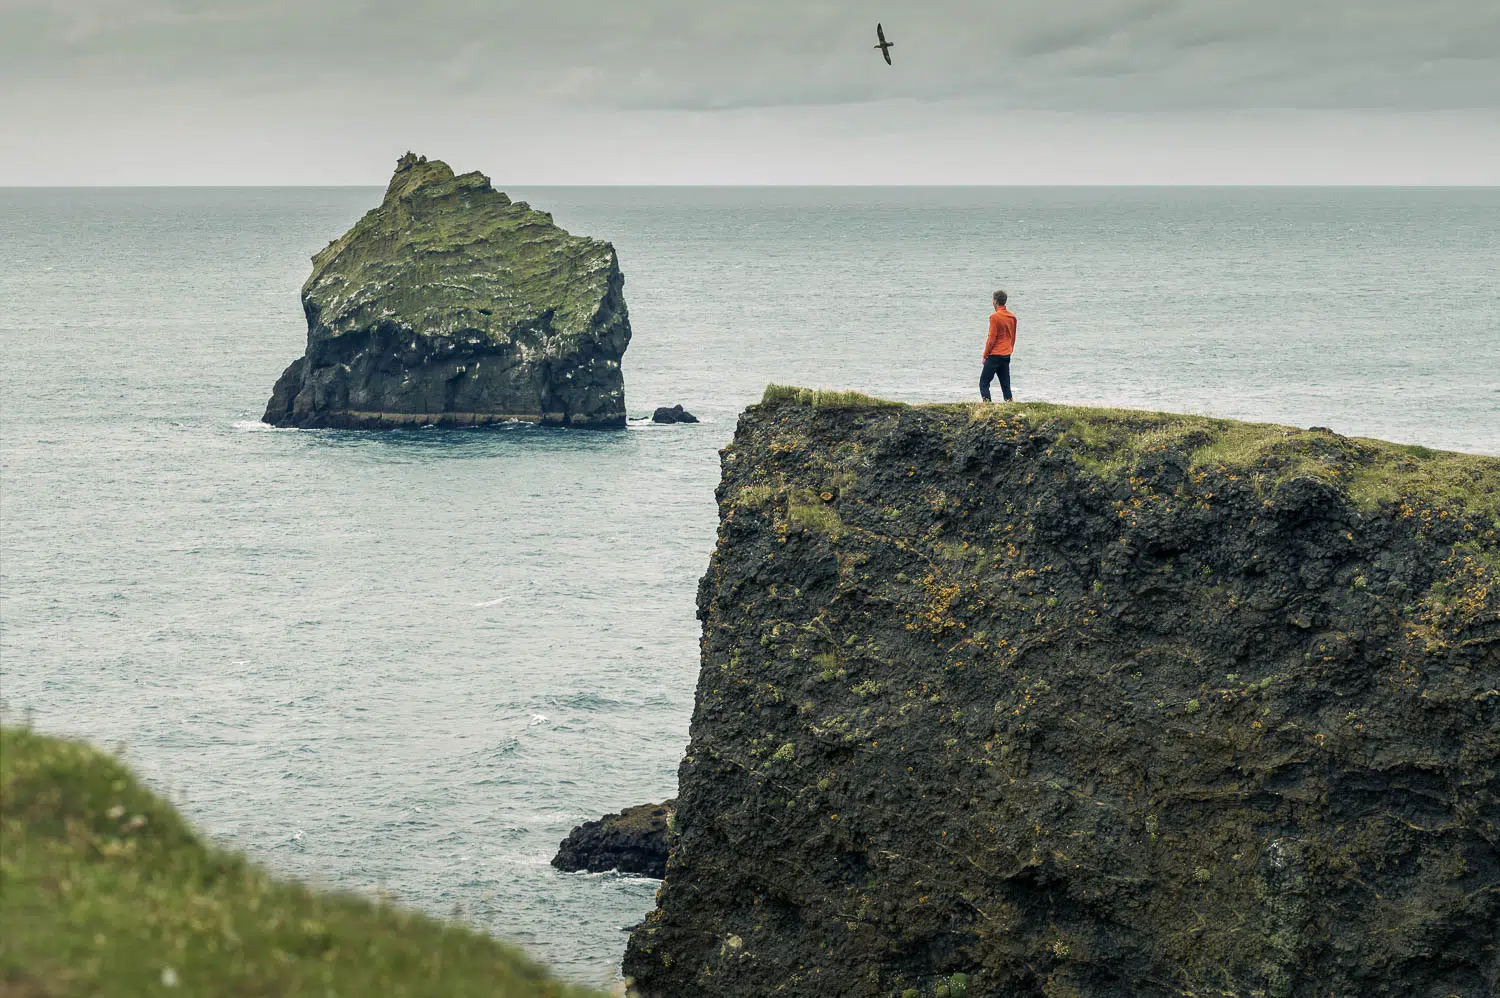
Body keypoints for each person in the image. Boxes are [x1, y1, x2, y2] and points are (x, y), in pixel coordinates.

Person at [980, 290, 1017, 402]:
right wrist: (1010, 349)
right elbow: (1013, 337)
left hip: (995, 354)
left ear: (995, 301)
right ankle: (1010, 404)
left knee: (984, 382)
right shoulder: (1012, 317)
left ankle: (987, 406)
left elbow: (991, 339)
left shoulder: (995, 317)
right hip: (1006, 354)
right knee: (1005, 384)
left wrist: (985, 355)